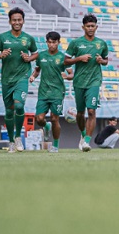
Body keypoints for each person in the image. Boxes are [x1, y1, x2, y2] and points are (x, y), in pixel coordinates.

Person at [0, 8, 38, 153]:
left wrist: (29, 58)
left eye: (19, 19)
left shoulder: (28, 38)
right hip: (6, 79)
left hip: (22, 77)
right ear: (10, 21)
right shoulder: (2, 38)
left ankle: (18, 137)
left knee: (19, 106)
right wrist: (1, 55)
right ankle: (11, 141)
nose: (17, 22)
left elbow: (35, 54)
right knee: (9, 112)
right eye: (14, 20)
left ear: (23, 21)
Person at [65, 14, 109, 153]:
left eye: (93, 26)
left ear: (97, 27)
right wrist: (79, 58)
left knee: (91, 111)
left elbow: (106, 60)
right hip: (79, 82)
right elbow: (66, 61)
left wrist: (101, 61)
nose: (90, 28)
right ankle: (83, 134)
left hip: (94, 81)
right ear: (83, 27)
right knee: (80, 113)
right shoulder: (76, 43)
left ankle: (87, 141)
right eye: (88, 26)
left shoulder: (101, 43)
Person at [29, 31, 73, 153]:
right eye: (49, 42)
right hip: (43, 92)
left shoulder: (63, 58)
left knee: (55, 119)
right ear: (46, 42)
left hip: (57, 92)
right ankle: (46, 126)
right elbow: (37, 70)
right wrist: (33, 76)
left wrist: (67, 76)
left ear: (58, 42)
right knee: (39, 119)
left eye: (54, 42)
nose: (51, 45)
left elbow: (71, 74)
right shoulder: (41, 56)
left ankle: (55, 145)